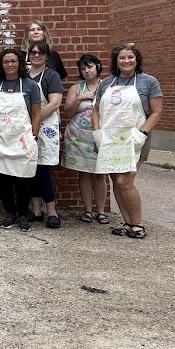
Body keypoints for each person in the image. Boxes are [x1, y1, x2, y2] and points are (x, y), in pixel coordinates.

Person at [92, 44, 163, 240]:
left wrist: (142, 133)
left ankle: (138, 224)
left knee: (125, 181)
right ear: (116, 61)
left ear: (137, 59)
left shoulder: (148, 82)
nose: (126, 61)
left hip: (135, 139)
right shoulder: (106, 83)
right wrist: (97, 132)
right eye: (122, 58)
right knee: (116, 181)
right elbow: (96, 110)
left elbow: (156, 111)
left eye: (130, 57)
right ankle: (127, 222)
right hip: (110, 139)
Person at [0, 49, 41, 231]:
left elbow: (36, 114)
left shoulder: (30, 86)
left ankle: (23, 215)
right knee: (3, 178)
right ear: (1, 64)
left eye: (13, 61)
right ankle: (10, 214)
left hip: (22, 139)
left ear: (20, 63)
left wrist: (33, 136)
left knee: (23, 178)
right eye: (6, 62)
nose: (10, 65)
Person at [63, 54, 108, 224]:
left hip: (99, 136)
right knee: (84, 173)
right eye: (83, 68)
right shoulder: (77, 87)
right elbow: (67, 112)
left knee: (100, 174)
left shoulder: (107, 85)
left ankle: (101, 211)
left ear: (97, 66)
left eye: (89, 66)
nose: (86, 70)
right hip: (78, 137)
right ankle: (87, 210)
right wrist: (79, 98)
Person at [26, 41, 65, 227]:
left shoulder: (51, 75)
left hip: (45, 126)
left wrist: (34, 119)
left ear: (46, 56)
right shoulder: (23, 75)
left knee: (43, 170)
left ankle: (51, 211)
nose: (36, 55)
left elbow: (55, 103)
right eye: (32, 52)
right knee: (30, 169)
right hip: (25, 127)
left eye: (40, 53)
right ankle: (35, 209)